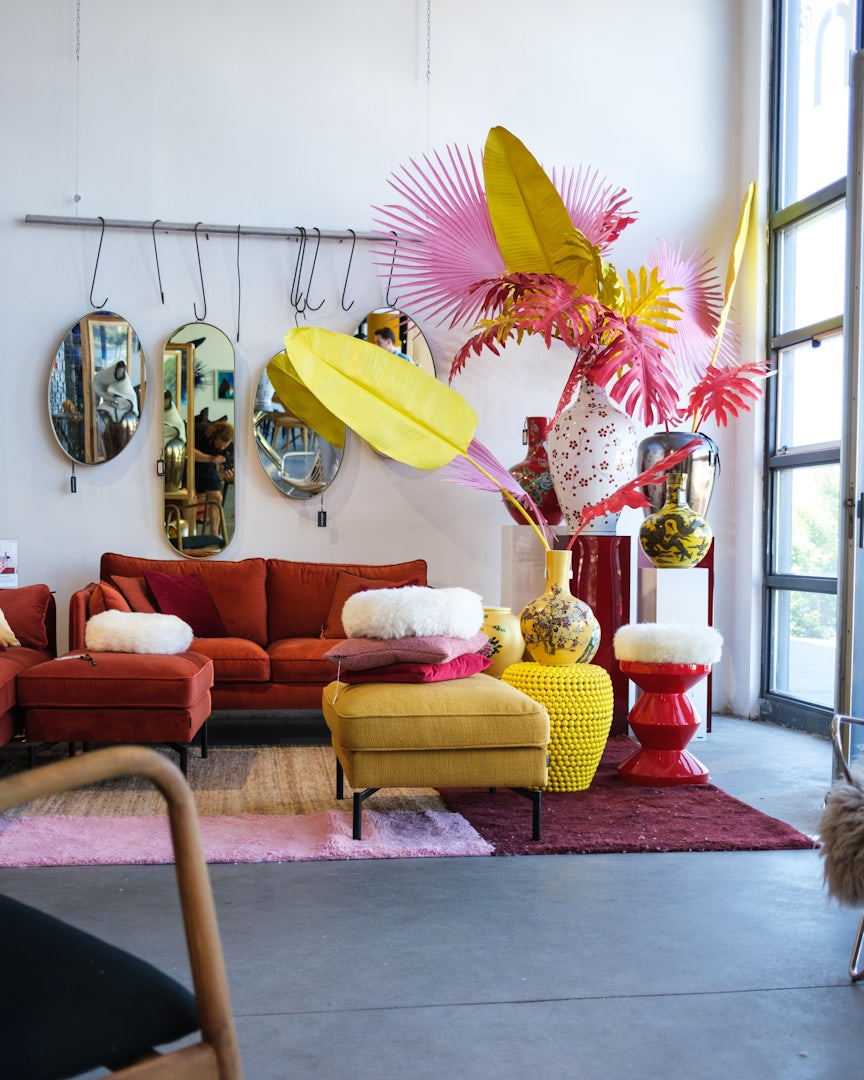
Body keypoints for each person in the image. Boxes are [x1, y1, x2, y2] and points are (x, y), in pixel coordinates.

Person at [194, 419, 234, 537]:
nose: (221, 449)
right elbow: (190, 452)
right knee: (190, 497)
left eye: (224, 447)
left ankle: (214, 535)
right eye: (219, 445)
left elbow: (225, 463)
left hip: (207, 467)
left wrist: (226, 471)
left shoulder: (228, 446)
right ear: (213, 437)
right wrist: (210, 458)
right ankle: (191, 532)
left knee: (217, 498)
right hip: (190, 465)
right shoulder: (200, 431)